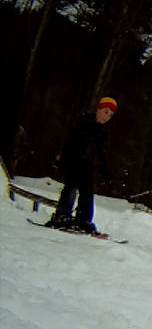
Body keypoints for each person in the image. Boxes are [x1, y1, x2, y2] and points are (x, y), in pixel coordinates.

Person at [45, 97, 116, 234]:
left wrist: (105, 172)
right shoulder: (84, 121)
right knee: (71, 184)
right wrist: (60, 156)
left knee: (88, 189)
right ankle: (62, 214)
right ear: (99, 109)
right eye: (106, 112)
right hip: (72, 158)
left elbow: (101, 153)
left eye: (110, 115)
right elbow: (70, 139)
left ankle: (84, 219)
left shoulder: (103, 131)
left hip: (86, 163)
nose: (107, 117)